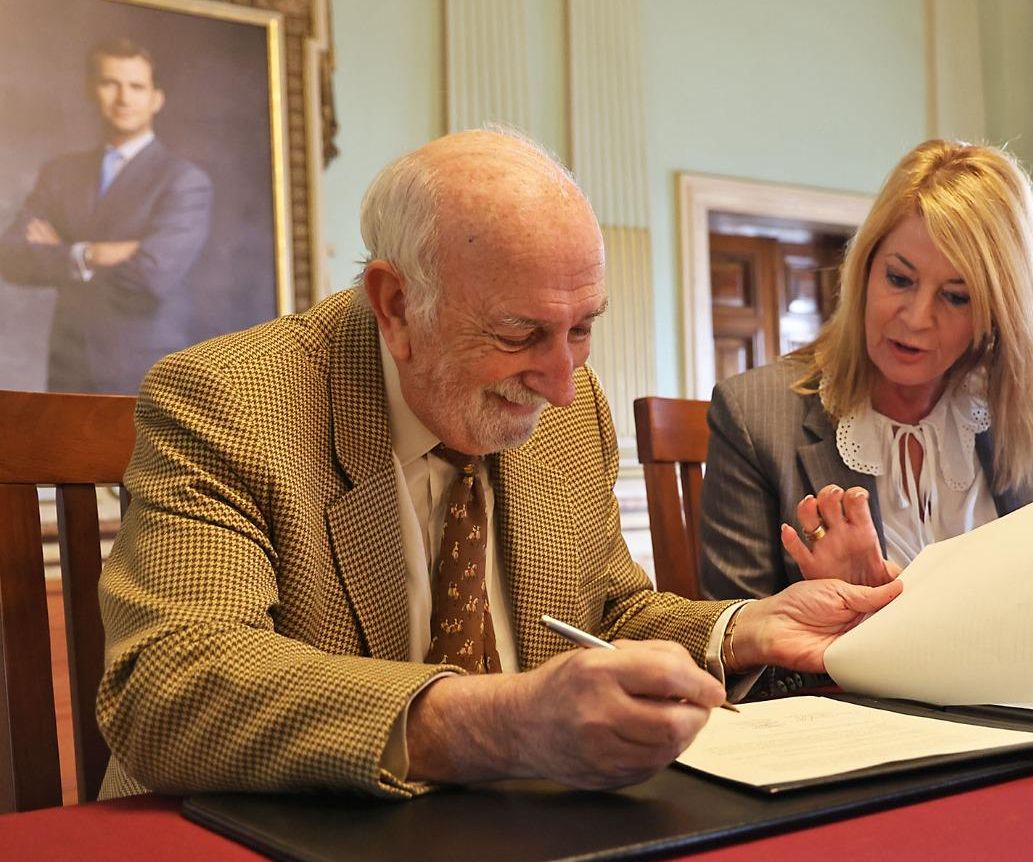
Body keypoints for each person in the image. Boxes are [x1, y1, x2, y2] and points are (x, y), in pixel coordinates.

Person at [95, 128, 901, 799]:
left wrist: (742, 628)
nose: (560, 383)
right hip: (277, 839)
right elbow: (171, 679)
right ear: (396, 304)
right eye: (520, 335)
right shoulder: (229, 401)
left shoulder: (569, 409)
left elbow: (608, 616)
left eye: (583, 328)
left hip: (516, 835)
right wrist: (497, 723)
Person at [698, 139, 1033, 701]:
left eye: (956, 297)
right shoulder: (755, 415)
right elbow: (728, 655)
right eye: (900, 279)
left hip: (1023, 713)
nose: (914, 319)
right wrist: (845, 626)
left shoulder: (1018, 395)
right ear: (865, 268)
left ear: (997, 313)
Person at [0, 37, 212, 395]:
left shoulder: (182, 180)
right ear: (90, 90)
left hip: (144, 369)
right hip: (70, 367)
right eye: (110, 83)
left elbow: (152, 274)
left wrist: (64, 250)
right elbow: (11, 256)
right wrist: (93, 253)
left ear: (156, 98)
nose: (123, 98)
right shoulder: (60, 173)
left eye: (136, 86)